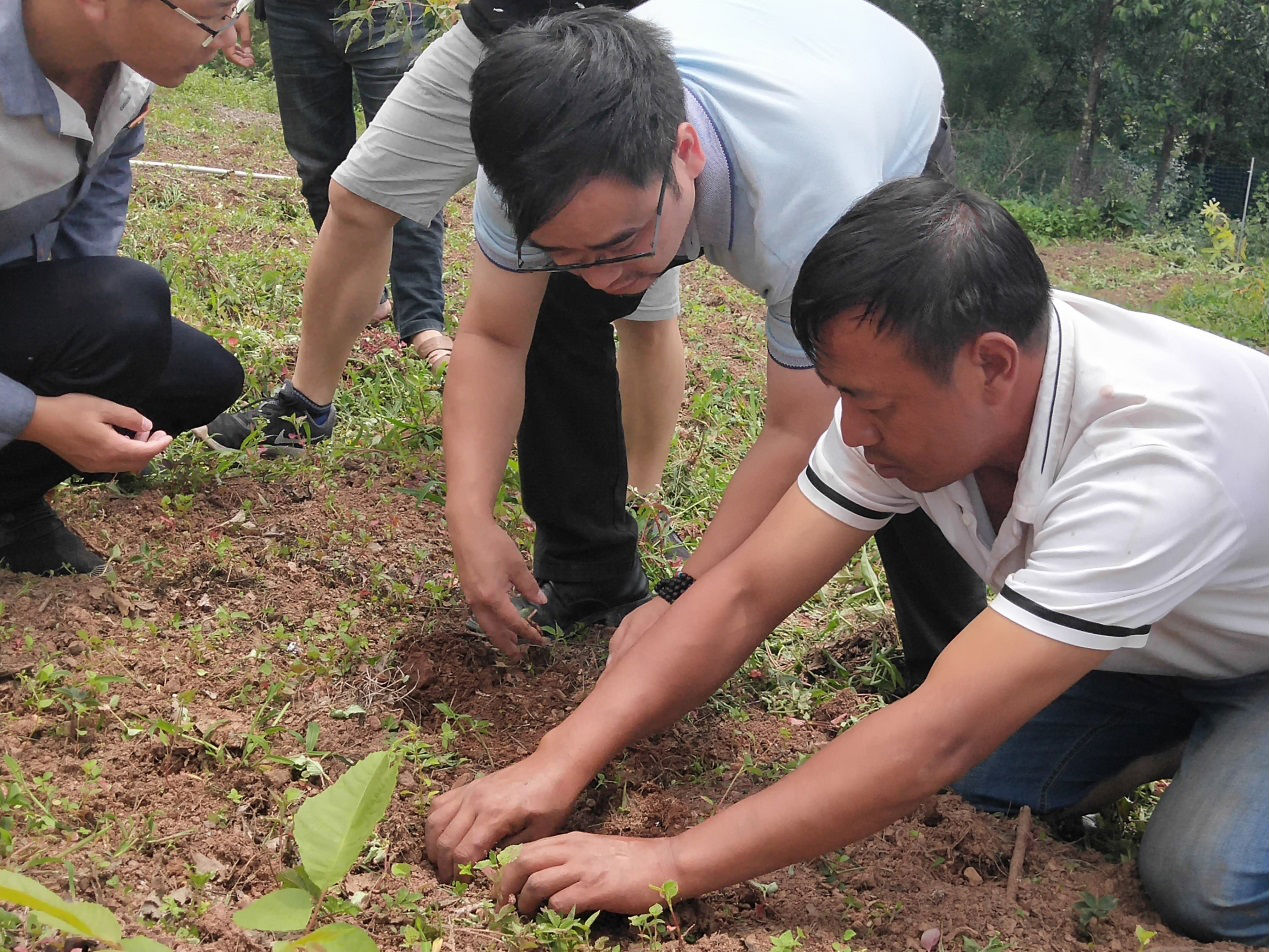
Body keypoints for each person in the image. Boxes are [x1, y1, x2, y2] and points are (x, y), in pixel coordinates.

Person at [423, 177, 1269, 945]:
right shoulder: (918, 379)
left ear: (991, 365)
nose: (852, 433)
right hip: (1154, 649)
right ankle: (1177, 733)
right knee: (971, 787)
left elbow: (936, 735)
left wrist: (669, 863)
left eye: (872, 404)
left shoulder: (1154, 459)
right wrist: (558, 760)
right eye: (843, 396)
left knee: (1205, 880)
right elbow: (745, 592)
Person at [443, 0, 984, 665]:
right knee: (548, 303)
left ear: (686, 152)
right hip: (745, 49)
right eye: (566, 252)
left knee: (895, 392)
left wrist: (685, 594)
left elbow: (799, 429)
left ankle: (948, 657)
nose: (602, 279)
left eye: (621, 243)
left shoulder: (810, 206)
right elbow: (495, 338)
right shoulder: (526, 163)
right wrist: (469, 514)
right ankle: (589, 576)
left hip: (870, 85)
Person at [197, 0, 686, 508]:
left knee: (641, 295)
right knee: (359, 196)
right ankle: (305, 408)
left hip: (621, 49)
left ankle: (638, 496)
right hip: (499, 27)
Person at [0, 0, 247, 576]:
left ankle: (9, 491)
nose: (226, 36)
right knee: (126, 303)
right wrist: (34, 416)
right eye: (215, 13)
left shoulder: (123, 85)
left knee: (198, 375)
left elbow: (85, 261)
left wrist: (83, 364)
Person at [249, 0, 451, 367]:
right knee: (318, 166)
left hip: (391, 9)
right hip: (292, 10)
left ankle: (422, 317)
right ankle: (364, 297)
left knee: (409, 166)